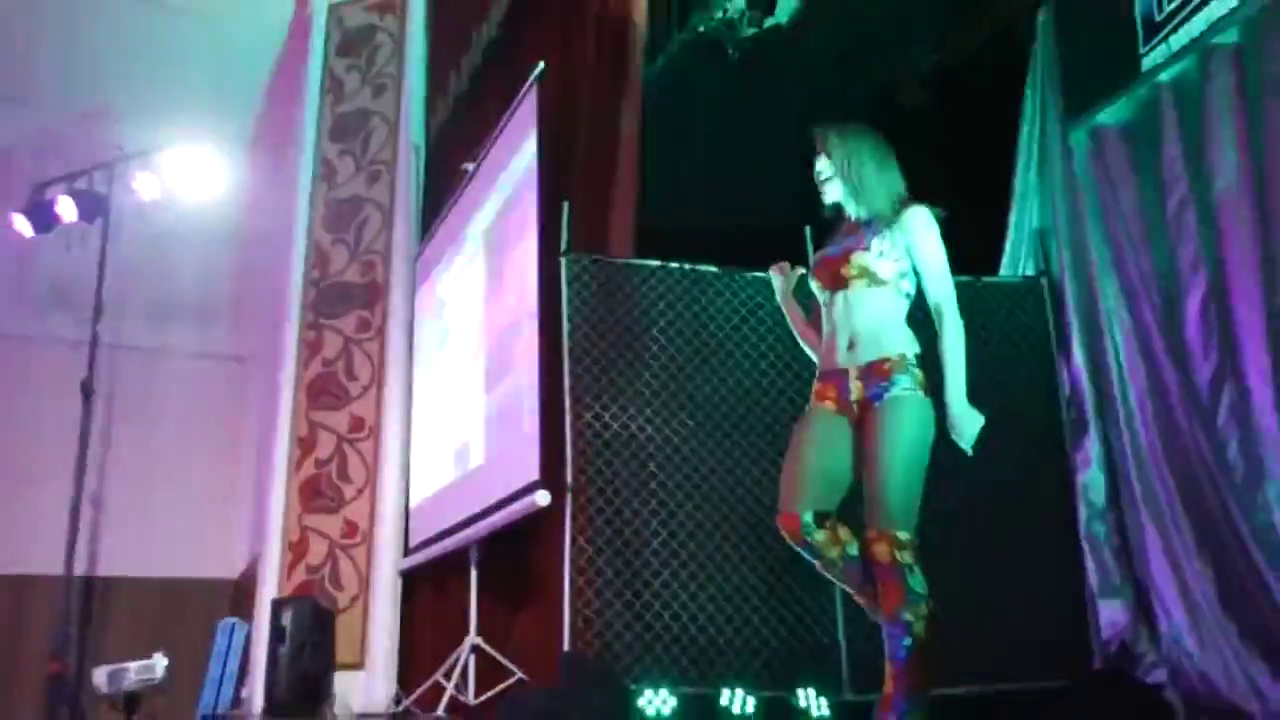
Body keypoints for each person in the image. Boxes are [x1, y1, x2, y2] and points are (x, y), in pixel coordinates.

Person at [770, 122, 985, 718]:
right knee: (799, 520)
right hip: (832, 387)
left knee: (889, 541)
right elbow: (825, 343)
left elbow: (945, 309)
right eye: (816, 161)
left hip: (895, 379)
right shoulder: (834, 243)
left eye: (829, 159)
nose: (818, 169)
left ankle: (902, 694)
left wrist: (959, 401)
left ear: (860, 161)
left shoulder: (909, 222)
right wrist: (786, 300)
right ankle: (896, 606)